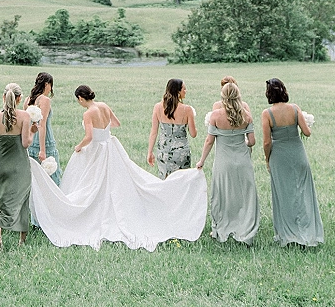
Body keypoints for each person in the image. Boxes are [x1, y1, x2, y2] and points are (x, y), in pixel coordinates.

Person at [29, 85, 207, 251]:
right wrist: (104, 130)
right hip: (110, 145)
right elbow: (116, 123)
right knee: (115, 180)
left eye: (78, 100)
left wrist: (79, 146)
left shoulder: (88, 113)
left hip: (97, 149)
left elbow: (89, 136)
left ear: (81, 99)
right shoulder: (104, 106)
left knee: (93, 183)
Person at [262, 78, 323, 247]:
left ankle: (288, 233)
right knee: (303, 193)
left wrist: (267, 159)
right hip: (298, 154)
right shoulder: (295, 109)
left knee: (284, 195)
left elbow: (267, 142)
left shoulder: (267, 114)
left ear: (269, 94)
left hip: (279, 157)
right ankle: (307, 230)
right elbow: (307, 132)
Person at [196, 82, 259, 245]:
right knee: (244, 196)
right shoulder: (246, 115)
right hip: (242, 161)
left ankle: (221, 227)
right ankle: (244, 228)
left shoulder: (216, 116)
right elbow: (252, 141)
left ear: (223, 96)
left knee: (223, 194)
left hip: (223, 162)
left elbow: (209, 141)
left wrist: (201, 161)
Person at [0, 82, 37, 251]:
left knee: (3, 201)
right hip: (19, 165)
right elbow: (25, 143)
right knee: (23, 198)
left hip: (1, 164)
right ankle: (22, 240)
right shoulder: (24, 116)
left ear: (4, 97)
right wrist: (32, 131)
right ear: (19, 99)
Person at [147, 78, 197, 178]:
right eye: (184, 89)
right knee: (181, 183)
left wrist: (150, 152)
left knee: (165, 182)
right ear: (178, 92)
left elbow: (153, 132)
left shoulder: (157, 107)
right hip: (181, 153)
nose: (185, 91)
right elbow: (193, 134)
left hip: (163, 152)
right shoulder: (187, 109)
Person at [24, 72, 62, 185]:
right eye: (51, 85)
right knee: (51, 172)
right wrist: (42, 149)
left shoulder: (27, 100)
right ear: (46, 84)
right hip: (44, 138)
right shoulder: (44, 100)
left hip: (31, 136)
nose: (51, 89)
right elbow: (42, 124)